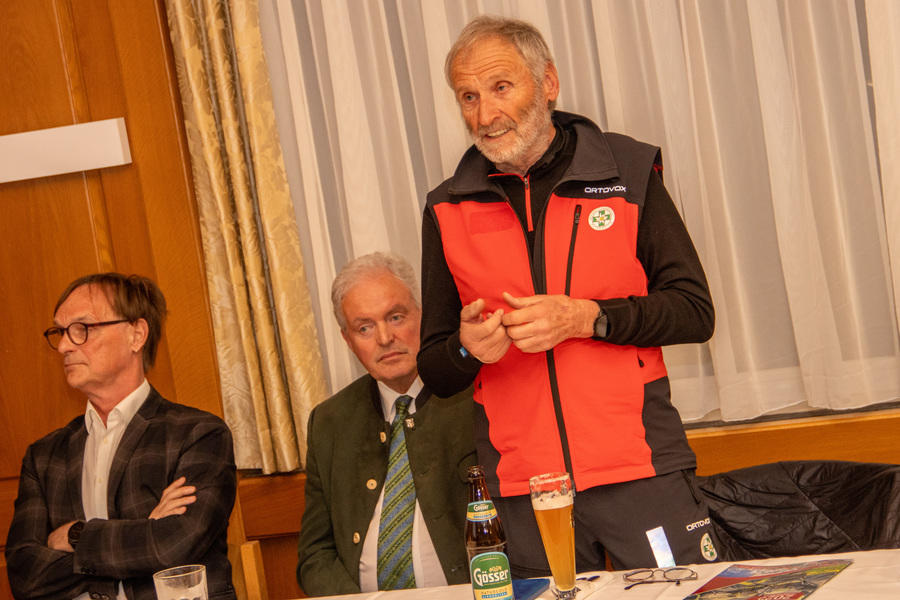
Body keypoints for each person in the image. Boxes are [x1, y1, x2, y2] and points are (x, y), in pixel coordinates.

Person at [418, 15, 720, 574]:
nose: (485, 115)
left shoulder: (627, 171)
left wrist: (587, 318)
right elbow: (436, 367)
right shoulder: (446, 207)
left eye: (501, 87)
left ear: (548, 83)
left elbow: (694, 311)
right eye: (468, 97)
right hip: (525, 488)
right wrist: (467, 349)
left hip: (639, 468)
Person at [5, 273, 236, 600]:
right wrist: (142, 533)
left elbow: (172, 545)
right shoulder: (44, 456)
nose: (64, 345)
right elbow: (25, 575)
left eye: (82, 329)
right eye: (60, 331)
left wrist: (75, 536)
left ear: (136, 334)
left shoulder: (198, 434)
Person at [297, 252, 475, 596]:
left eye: (395, 317)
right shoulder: (330, 422)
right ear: (347, 340)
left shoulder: (475, 397)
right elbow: (315, 554)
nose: (384, 338)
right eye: (364, 327)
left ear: (423, 316)